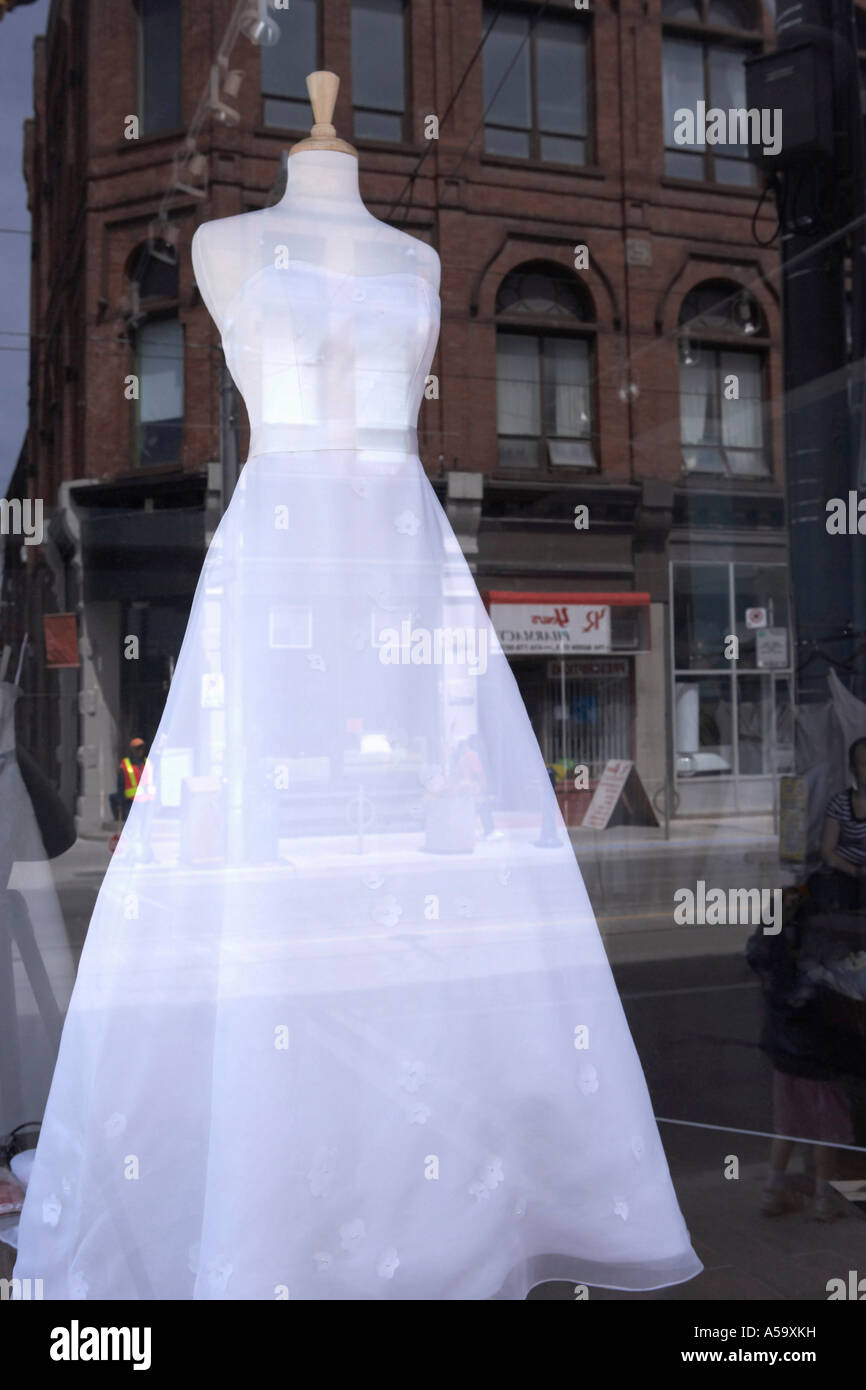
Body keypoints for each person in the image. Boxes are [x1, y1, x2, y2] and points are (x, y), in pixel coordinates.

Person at [818, 736, 866, 911]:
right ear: (853, 768)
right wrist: (856, 872)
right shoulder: (839, 803)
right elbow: (826, 851)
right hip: (845, 874)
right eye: (864, 764)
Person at [109, 737, 155, 824]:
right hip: (131, 803)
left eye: (141, 748)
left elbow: (155, 781)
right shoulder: (126, 764)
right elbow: (121, 784)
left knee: (145, 829)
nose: (140, 750)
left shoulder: (148, 763)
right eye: (137, 748)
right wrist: (121, 801)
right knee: (132, 827)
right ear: (132, 750)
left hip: (148, 802)